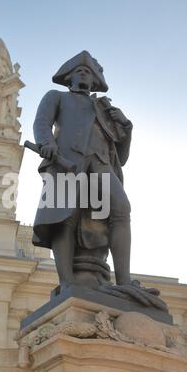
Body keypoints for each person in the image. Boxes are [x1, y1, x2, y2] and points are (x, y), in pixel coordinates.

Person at [32, 51, 133, 289]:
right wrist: (47, 143)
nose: (84, 74)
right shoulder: (56, 96)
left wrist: (127, 128)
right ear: (69, 77)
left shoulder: (104, 108)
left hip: (101, 163)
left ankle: (125, 283)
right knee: (64, 218)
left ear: (95, 80)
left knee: (121, 209)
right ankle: (67, 283)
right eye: (79, 71)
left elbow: (122, 156)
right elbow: (41, 123)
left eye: (88, 72)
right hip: (65, 162)